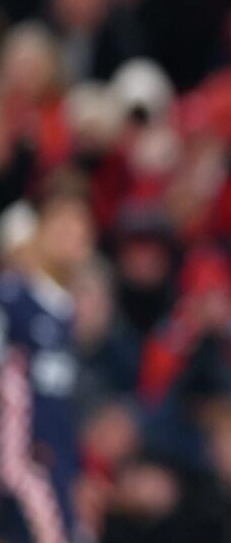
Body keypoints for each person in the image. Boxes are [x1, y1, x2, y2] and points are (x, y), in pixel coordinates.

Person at [0, 185, 96, 543]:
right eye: (62, 226)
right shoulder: (11, 300)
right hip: (21, 468)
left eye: (80, 228)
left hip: (58, 466)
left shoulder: (64, 310)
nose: (72, 237)